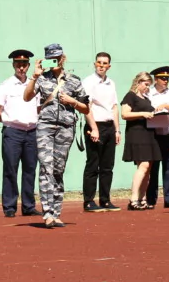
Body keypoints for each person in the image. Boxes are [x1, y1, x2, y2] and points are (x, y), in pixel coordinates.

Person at [24, 43, 89, 228]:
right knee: (46, 167)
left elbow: (86, 108)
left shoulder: (74, 80)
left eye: (57, 58)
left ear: (63, 58)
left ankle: (56, 212)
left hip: (66, 127)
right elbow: (27, 97)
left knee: (58, 169)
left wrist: (72, 101)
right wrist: (34, 77)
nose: (55, 61)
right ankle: (47, 213)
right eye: (50, 58)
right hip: (45, 126)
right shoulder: (41, 79)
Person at [0, 49, 41, 218]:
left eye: (24, 64)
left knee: (30, 170)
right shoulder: (6, 85)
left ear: (28, 66)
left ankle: (28, 206)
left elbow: (39, 108)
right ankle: (10, 207)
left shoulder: (34, 84)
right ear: (13, 65)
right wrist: (9, 121)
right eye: (18, 64)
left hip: (32, 132)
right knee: (10, 169)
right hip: (13, 132)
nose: (21, 68)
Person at [81, 52, 121, 213]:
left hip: (109, 126)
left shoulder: (111, 83)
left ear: (109, 66)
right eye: (99, 63)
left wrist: (117, 130)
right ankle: (89, 201)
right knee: (93, 165)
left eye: (105, 63)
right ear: (94, 64)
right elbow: (86, 107)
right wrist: (93, 128)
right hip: (94, 126)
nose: (101, 66)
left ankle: (105, 200)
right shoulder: (89, 82)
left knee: (107, 166)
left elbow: (114, 107)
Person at [119, 72, 160, 210]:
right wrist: (142, 113)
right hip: (137, 134)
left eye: (149, 85)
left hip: (149, 133)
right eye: (145, 84)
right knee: (142, 166)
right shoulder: (130, 95)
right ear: (138, 82)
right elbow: (124, 114)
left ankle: (142, 198)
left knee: (148, 167)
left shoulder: (146, 99)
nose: (147, 87)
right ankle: (133, 199)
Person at [145, 65, 169, 210]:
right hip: (153, 133)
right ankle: (151, 199)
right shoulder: (149, 93)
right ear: (156, 79)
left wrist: (167, 105)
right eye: (162, 78)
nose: (165, 81)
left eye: (167, 78)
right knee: (153, 167)